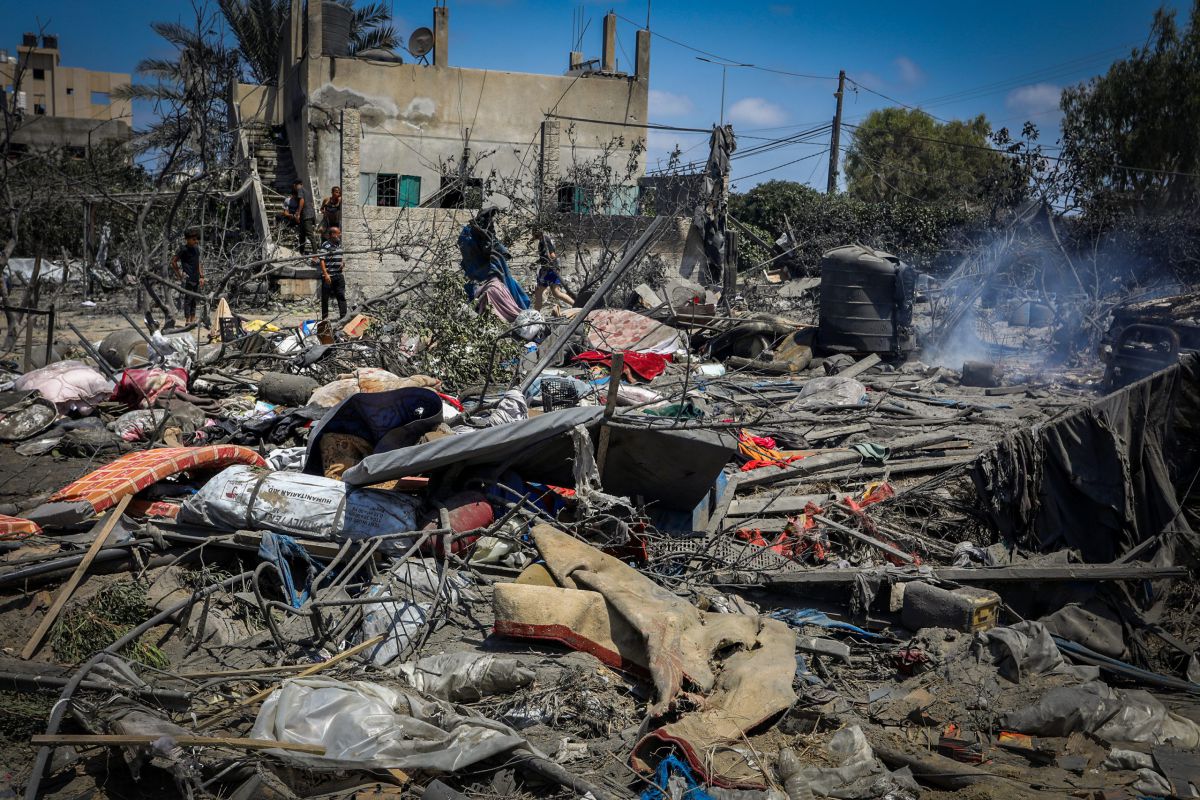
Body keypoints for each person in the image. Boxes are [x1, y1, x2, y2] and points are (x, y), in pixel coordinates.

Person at [458, 207, 530, 323]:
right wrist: (501, 251)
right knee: (511, 290)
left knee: (512, 289)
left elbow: (492, 244)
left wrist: (501, 250)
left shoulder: (468, 232)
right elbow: (489, 246)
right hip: (484, 271)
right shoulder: (477, 233)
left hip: (478, 272)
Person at [532, 226, 575, 310]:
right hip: (552, 269)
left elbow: (552, 255)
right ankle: (577, 305)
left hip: (548, 270)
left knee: (538, 292)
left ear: (537, 232)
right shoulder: (543, 239)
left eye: (533, 232)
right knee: (556, 293)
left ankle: (535, 314)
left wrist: (549, 265)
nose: (532, 234)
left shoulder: (544, 240)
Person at [170, 230, 204, 325]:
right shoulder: (183, 249)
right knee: (188, 299)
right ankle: (188, 320)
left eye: (196, 239)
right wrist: (179, 274)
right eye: (193, 239)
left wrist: (202, 276)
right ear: (187, 240)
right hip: (188, 277)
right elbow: (173, 262)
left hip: (196, 277)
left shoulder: (196, 248)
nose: (196, 241)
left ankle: (193, 319)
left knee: (194, 299)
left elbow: (198, 263)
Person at [318, 225, 347, 320]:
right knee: (325, 299)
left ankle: (343, 317)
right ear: (333, 234)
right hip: (328, 276)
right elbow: (322, 260)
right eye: (339, 233)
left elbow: (341, 256)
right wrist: (326, 275)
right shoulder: (325, 245)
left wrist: (342, 262)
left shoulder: (339, 244)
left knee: (341, 296)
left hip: (339, 275)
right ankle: (325, 319)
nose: (340, 234)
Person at [281, 179, 309, 254]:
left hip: (299, 219)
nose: (297, 197)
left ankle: (302, 248)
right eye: (296, 196)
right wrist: (291, 215)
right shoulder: (288, 200)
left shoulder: (301, 201)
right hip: (291, 218)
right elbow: (285, 212)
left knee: (303, 228)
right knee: (279, 217)